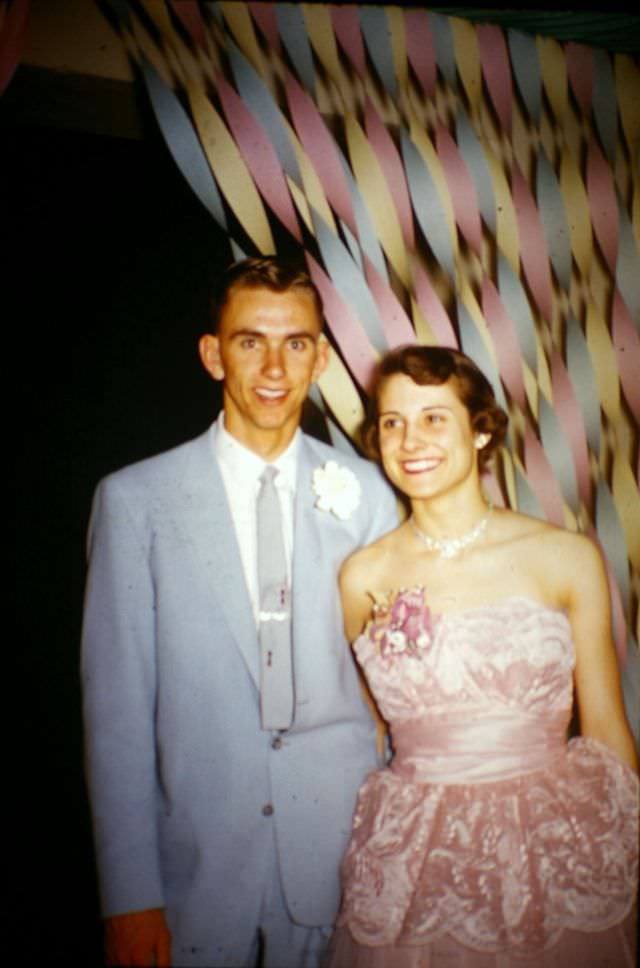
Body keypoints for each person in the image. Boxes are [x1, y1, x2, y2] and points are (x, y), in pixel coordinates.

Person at [81, 257, 398, 968]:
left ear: (320, 357)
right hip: (195, 870)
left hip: (343, 863)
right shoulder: (136, 502)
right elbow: (117, 715)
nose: (274, 366)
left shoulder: (372, 494)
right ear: (212, 354)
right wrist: (128, 895)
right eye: (250, 340)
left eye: (296, 343)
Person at [328, 345, 639, 968]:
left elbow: (605, 725)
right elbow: (372, 723)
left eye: (434, 418)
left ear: (480, 430)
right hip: (421, 854)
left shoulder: (565, 556)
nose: (410, 440)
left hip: (556, 841)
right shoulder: (361, 577)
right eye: (393, 422)